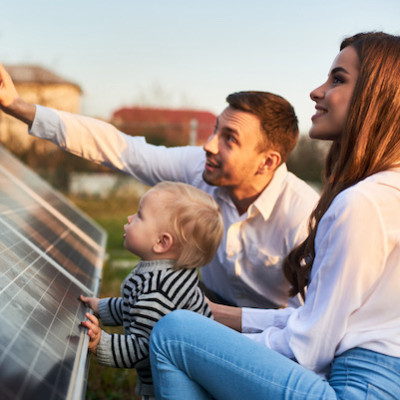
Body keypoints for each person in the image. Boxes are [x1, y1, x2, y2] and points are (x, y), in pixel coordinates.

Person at [148, 32, 400, 399]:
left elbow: (308, 349)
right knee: (190, 326)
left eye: (338, 79)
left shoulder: (362, 203)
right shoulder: (386, 193)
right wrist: (211, 314)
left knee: (174, 334)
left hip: (355, 389)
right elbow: (316, 318)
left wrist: (212, 345)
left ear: (376, 98)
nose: (317, 91)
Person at [0, 66, 318, 309]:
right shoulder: (200, 167)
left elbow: (307, 324)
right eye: (215, 131)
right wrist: (17, 106)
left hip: (272, 338)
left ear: (267, 162)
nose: (208, 145)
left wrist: (206, 315)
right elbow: (122, 149)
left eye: (229, 139)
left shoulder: (303, 216)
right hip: (207, 308)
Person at [80, 181, 223, 399]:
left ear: (161, 242)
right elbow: (134, 306)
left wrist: (101, 343)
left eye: (139, 216)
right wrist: (101, 307)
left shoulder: (159, 291)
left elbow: (143, 348)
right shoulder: (163, 274)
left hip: (175, 385)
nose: (129, 218)